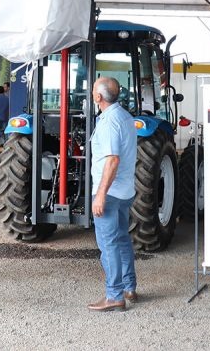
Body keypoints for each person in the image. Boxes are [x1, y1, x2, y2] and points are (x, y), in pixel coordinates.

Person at [88, 77, 138, 312]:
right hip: (125, 191)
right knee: (121, 239)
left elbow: (112, 159)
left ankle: (114, 295)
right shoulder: (126, 117)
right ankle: (129, 287)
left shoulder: (109, 122)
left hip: (110, 192)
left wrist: (100, 195)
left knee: (108, 244)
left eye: (93, 90)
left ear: (99, 97)